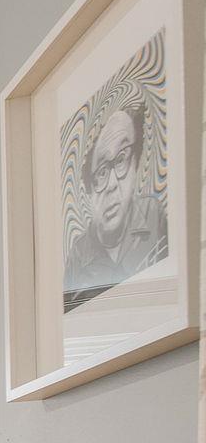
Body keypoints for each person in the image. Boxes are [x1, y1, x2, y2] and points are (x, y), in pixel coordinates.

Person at [64, 94, 170, 312]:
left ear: (135, 165)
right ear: (89, 190)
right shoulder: (77, 256)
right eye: (102, 172)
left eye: (121, 159)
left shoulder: (154, 216)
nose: (112, 184)